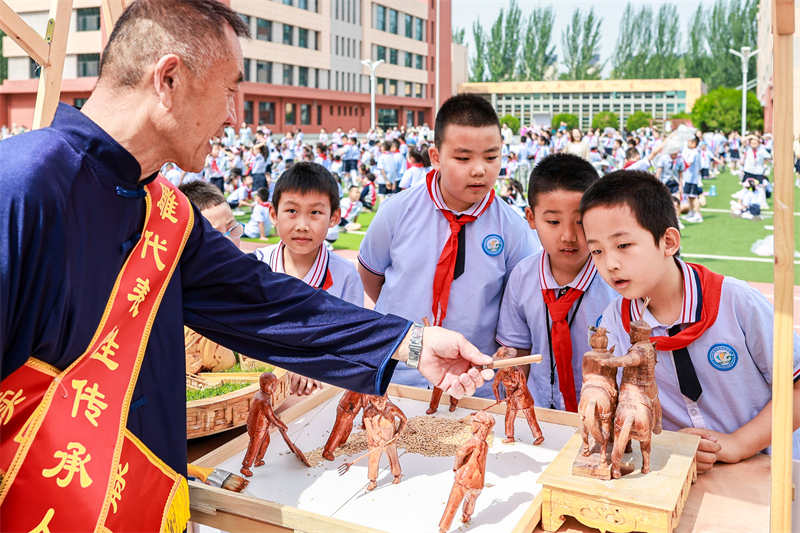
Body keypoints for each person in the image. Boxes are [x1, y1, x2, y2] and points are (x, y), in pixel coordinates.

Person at [0, 1, 493, 530]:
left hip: (144, 502)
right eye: (230, 88)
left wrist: (412, 344)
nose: (235, 115)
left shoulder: (166, 213)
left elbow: (265, 301)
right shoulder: (23, 186)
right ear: (169, 78)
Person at [580, 170, 800, 473]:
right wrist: (669, 444)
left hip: (768, 466)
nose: (610, 263)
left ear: (668, 241)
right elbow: (624, 408)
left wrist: (737, 444)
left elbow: (797, 387)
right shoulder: (614, 323)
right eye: (596, 251)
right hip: (682, 471)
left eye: (623, 245)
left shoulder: (736, 302)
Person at [358, 94, 540, 398]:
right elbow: (372, 277)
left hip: (473, 382)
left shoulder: (512, 227)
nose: (480, 169)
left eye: (491, 157)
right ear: (436, 156)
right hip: (398, 374)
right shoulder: (397, 211)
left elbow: (520, 302)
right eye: (464, 158)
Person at [496, 154, 618, 412]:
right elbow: (518, 351)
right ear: (530, 218)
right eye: (552, 221)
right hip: (539, 413)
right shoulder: (522, 276)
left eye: (580, 222)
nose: (568, 236)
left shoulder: (618, 280)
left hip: (605, 415)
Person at [254, 162, 367, 394]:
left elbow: (351, 343)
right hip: (261, 386)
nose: (303, 226)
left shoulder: (345, 275)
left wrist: (312, 366)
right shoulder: (256, 266)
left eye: (315, 212)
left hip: (320, 390)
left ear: (334, 217)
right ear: (274, 214)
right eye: (292, 211)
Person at [438, 411, 495, 533]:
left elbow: (460, 453)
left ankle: (443, 528)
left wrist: (456, 466)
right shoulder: (485, 445)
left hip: (464, 479)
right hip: (478, 482)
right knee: (471, 500)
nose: (471, 424)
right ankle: (466, 516)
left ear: (478, 426)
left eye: (473, 422)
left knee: (453, 504)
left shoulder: (473, 441)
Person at [240, 372, 287, 477]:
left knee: (266, 441)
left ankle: (258, 459)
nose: (275, 388)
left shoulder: (260, 394)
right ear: (264, 385)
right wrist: (282, 425)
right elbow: (271, 417)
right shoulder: (264, 400)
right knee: (254, 446)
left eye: (275, 385)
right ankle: (245, 467)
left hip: (260, 426)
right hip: (257, 428)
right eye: (272, 385)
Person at [681, 137, 704, 223]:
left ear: (694, 143)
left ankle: (698, 214)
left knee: (694, 197)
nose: (687, 144)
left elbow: (688, 163)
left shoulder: (694, 153)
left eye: (689, 142)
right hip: (689, 178)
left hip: (692, 178)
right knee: (690, 196)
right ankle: (691, 212)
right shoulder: (694, 152)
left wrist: (680, 166)